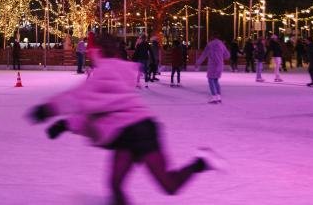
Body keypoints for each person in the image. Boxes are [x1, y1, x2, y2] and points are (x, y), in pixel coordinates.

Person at [28, 33, 220, 205]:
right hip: (124, 134)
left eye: (90, 50)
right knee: (115, 184)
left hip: (139, 131)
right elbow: (99, 111)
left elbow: (79, 98)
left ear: (98, 51)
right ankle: (200, 163)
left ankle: (201, 162)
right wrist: (66, 124)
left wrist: (47, 109)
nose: (87, 54)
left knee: (168, 185)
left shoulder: (106, 72)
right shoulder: (110, 71)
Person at [195, 33, 231, 104]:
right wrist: (220, 57)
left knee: (211, 80)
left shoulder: (210, 45)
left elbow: (204, 54)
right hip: (220, 65)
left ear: (211, 37)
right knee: (216, 80)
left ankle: (214, 96)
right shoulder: (221, 44)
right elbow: (227, 55)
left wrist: (198, 62)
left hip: (213, 65)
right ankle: (218, 96)